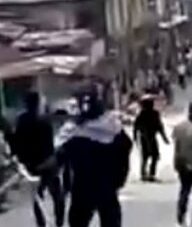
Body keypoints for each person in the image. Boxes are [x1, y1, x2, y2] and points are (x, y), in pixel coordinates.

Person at [45, 85, 132, 227]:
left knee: (80, 221)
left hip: (85, 186)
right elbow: (125, 151)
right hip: (103, 185)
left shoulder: (75, 131)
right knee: (108, 220)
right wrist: (119, 177)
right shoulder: (112, 127)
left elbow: (59, 157)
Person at [14, 92, 65, 227]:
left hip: (31, 165)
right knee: (57, 195)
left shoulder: (21, 121)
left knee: (37, 196)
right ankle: (59, 222)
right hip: (47, 163)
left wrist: (23, 160)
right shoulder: (43, 120)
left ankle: (42, 223)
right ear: (38, 103)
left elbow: (17, 143)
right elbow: (49, 144)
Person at [134, 96, 169, 181]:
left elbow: (135, 128)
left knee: (145, 156)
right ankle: (151, 174)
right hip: (151, 137)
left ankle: (144, 174)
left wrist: (135, 138)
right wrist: (164, 137)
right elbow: (159, 126)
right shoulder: (154, 114)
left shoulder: (141, 114)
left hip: (144, 138)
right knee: (154, 156)